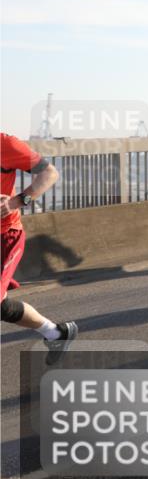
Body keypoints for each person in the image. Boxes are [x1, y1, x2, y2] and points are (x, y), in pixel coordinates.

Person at [1, 133, 77, 365]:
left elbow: (50, 173)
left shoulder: (5, 144)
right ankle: (56, 333)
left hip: (5, 236)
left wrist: (17, 201)